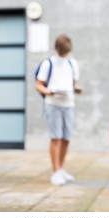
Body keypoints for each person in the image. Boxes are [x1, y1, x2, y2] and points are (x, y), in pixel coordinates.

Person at [35, 34, 82, 186]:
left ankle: (61, 168)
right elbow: (39, 84)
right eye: (62, 52)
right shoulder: (48, 63)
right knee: (55, 137)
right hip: (53, 103)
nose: (64, 55)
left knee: (66, 138)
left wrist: (77, 89)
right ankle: (55, 172)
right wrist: (49, 91)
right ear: (56, 49)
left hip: (68, 104)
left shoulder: (72, 63)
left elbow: (73, 83)